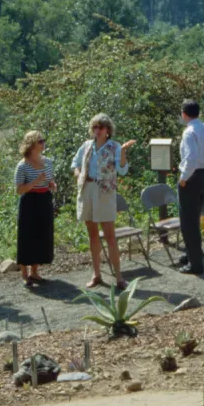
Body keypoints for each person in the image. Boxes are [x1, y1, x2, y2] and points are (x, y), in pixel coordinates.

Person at [72, 114, 136, 288]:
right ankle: (96, 275)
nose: (97, 130)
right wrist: (79, 175)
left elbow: (122, 170)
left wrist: (123, 151)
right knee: (92, 235)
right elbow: (75, 163)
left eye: (100, 127)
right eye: (95, 127)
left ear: (108, 130)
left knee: (110, 235)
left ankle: (119, 277)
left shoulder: (114, 146)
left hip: (105, 192)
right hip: (87, 190)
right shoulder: (86, 145)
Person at [176, 100, 204, 275]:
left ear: (184, 114)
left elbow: (191, 158)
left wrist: (183, 178)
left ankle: (195, 264)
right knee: (195, 218)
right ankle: (194, 253)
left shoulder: (189, 132)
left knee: (188, 222)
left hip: (193, 177)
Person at [14, 130, 57, 286]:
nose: (43, 143)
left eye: (43, 140)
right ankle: (24, 273)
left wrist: (52, 184)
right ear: (31, 144)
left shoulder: (48, 162)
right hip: (29, 201)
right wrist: (35, 181)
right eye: (40, 141)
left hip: (44, 199)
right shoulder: (22, 165)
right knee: (27, 235)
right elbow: (19, 190)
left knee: (42, 234)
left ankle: (35, 272)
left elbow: (49, 179)